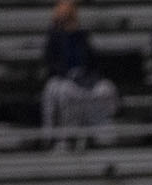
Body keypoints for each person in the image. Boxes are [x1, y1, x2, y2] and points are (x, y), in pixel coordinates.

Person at [40, 0, 119, 150]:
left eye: (71, 14)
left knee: (105, 89)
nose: (70, 18)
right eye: (66, 15)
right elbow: (51, 64)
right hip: (62, 79)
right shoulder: (54, 36)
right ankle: (66, 135)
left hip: (85, 78)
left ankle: (100, 132)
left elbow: (93, 62)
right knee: (67, 92)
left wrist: (88, 77)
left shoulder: (82, 35)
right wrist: (70, 75)